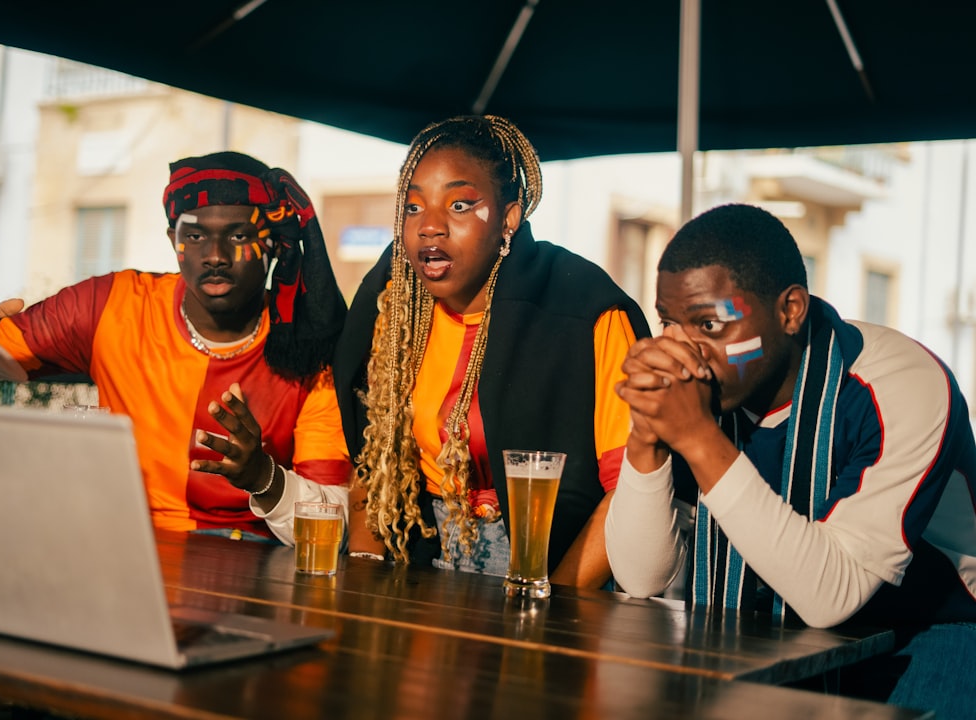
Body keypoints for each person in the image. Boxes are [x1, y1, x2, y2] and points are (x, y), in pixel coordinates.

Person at [605, 203, 976, 717]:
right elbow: (642, 579)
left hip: (928, 628)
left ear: (790, 311)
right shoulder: (706, 392)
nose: (682, 348)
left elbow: (832, 597)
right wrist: (646, 437)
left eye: (710, 324)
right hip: (768, 628)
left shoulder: (900, 384)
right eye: (669, 323)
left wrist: (696, 436)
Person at [0, 151, 353, 545]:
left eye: (238, 236)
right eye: (195, 236)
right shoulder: (112, 304)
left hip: (249, 567)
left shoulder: (308, 349)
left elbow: (332, 520)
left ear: (272, 244)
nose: (215, 254)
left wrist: (263, 478)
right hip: (118, 549)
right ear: (172, 240)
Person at [334, 115, 651, 587]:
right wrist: (364, 583)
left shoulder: (582, 308)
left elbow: (630, 491)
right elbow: (374, 462)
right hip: (417, 564)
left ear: (509, 217)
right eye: (415, 208)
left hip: (551, 570)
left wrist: (553, 603)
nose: (430, 228)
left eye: (460, 205)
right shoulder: (394, 302)